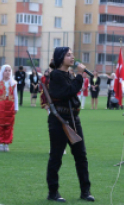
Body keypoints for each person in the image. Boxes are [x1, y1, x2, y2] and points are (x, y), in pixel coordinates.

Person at [46, 47, 94, 202]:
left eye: (72, 53)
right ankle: (53, 192)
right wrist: (80, 75)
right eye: (68, 54)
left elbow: (73, 91)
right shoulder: (55, 75)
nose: (72, 57)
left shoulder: (69, 74)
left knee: (81, 156)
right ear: (61, 58)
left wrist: (77, 76)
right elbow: (69, 91)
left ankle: (85, 191)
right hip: (59, 120)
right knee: (56, 157)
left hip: (74, 119)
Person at [0, 65, 18, 152]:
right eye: (6, 70)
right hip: (0, 106)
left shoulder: (13, 83)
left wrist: (16, 107)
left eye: (9, 70)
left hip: (10, 106)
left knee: (9, 126)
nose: (8, 72)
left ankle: (7, 144)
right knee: (0, 125)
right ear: (2, 72)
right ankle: (0, 143)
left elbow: (15, 96)